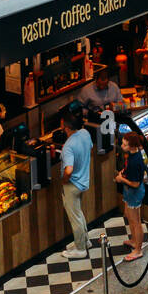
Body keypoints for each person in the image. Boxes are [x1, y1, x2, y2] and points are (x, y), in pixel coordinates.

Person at [59, 111, 94, 259]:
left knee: (75, 217)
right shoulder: (85, 133)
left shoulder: (68, 146)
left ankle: (80, 249)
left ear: (66, 127)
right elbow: (90, 147)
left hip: (72, 185)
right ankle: (85, 241)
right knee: (78, 213)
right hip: (84, 180)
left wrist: (65, 180)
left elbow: (69, 169)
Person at [114, 130, 146, 262]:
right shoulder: (133, 155)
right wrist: (123, 172)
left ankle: (138, 250)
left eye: (125, 145)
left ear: (132, 146)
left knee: (136, 221)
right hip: (130, 192)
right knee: (129, 216)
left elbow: (135, 183)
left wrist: (121, 179)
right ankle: (134, 241)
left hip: (134, 192)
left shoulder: (135, 161)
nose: (122, 146)